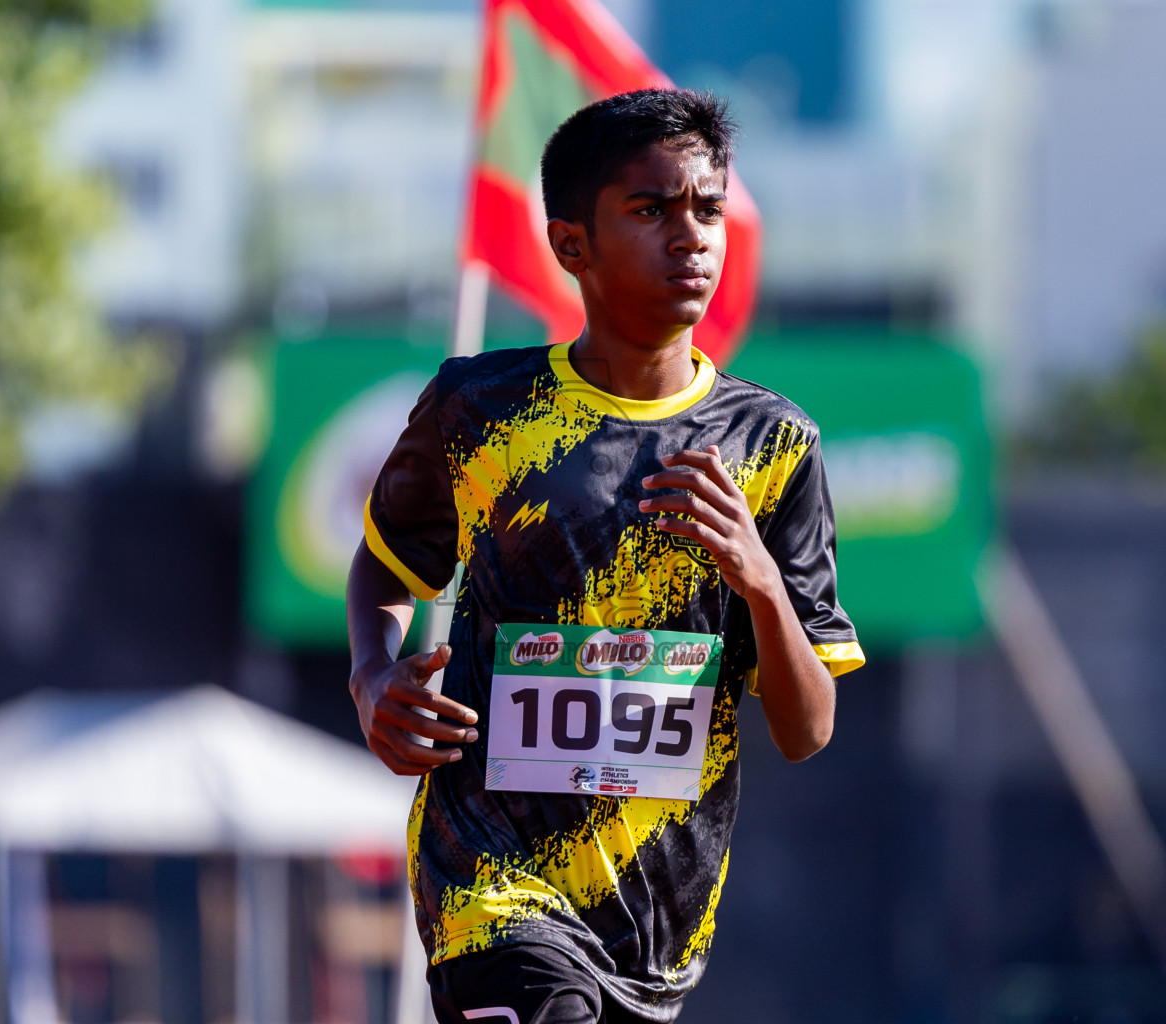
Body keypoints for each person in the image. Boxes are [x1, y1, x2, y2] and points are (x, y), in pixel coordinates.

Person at [347, 88, 864, 1024]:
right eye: (651, 210)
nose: (691, 236)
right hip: (489, 887)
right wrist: (372, 674)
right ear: (570, 244)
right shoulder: (481, 409)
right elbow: (387, 565)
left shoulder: (775, 445)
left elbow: (807, 728)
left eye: (708, 209)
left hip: (653, 926)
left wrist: (757, 581)